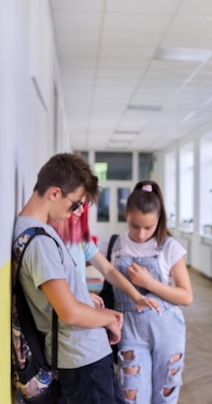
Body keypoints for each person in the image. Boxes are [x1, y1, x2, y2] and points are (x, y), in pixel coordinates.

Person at [13, 152, 126, 403]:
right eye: (75, 203)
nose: (78, 211)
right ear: (54, 193)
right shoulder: (40, 242)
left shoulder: (41, 233)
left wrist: (88, 299)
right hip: (81, 357)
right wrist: (108, 317)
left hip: (86, 354)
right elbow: (69, 312)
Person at [99, 180, 193, 403]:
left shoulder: (170, 247)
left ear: (159, 220)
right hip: (130, 332)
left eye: (148, 227)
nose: (140, 234)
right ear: (126, 215)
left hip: (168, 330)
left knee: (165, 396)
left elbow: (186, 296)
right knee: (131, 395)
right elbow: (75, 260)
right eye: (134, 225)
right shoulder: (112, 245)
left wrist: (149, 283)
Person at [48, 202, 160, 312]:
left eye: (83, 204)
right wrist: (82, 297)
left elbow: (108, 270)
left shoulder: (79, 237)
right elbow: (52, 288)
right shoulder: (45, 239)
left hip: (77, 312)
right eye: (77, 204)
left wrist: (138, 298)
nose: (81, 210)